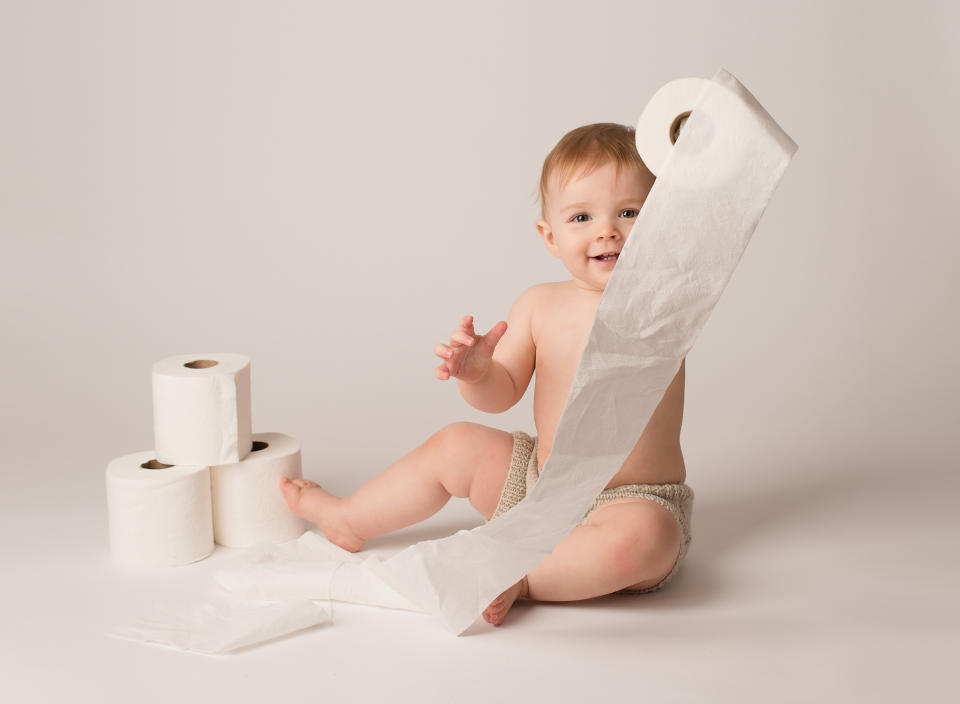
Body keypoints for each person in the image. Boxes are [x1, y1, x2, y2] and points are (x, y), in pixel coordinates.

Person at [280, 123, 693, 626]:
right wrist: (477, 373)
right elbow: (503, 394)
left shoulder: (662, 300)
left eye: (630, 213)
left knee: (646, 541)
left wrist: (697, 149)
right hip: (538, 488)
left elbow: (707, 224)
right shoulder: (539, 304)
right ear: (550, 235)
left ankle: (525, 576)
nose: (607, 230)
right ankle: (349, 518)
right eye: (581, 216)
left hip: (629, 501)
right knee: (456, 443)